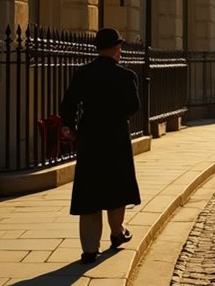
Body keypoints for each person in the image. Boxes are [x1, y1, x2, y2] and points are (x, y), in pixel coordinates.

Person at [60, 28, 141, 264]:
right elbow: (133, 107)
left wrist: (70, 127)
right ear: (117, 50)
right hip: (115, 137)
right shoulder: (126, 76)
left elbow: (68, 104)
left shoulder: (83, 74)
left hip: (90, 137)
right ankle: (117, 233)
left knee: (89, 191)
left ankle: (89, 249)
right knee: (117, 189)